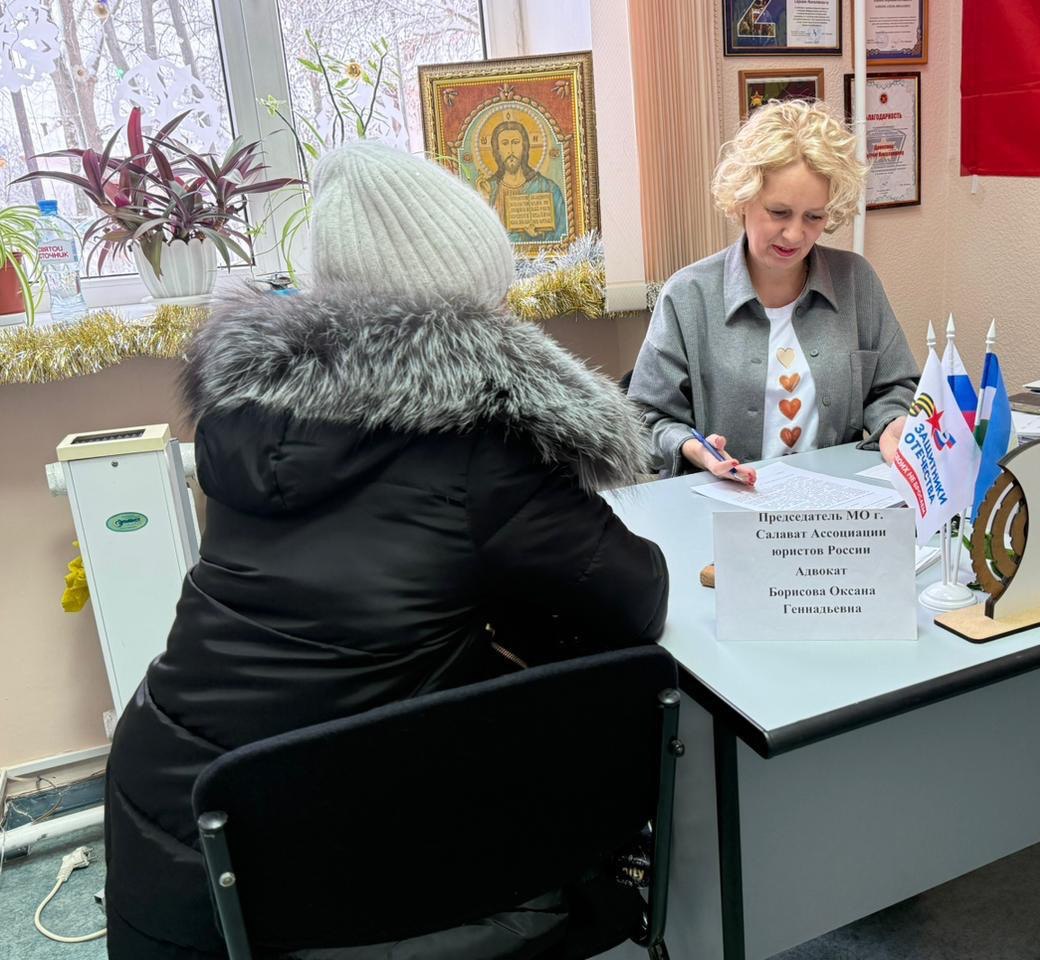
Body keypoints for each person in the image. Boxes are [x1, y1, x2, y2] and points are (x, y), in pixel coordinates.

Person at [103, 140, 669, 959]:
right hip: (318, 875)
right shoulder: (477, 452)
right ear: (466, 314)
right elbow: (637, 594)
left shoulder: (247, 420)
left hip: (172, 826)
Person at [627, 100, 918, 483]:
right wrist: (692, 448)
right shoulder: (687, 297)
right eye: (779, 212)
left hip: (837, 501)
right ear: (743, 199)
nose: (795, 234)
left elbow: (894, 387)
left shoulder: (856, 280)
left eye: (814, 216)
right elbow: (644, 420)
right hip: (724, 501)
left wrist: (894, 421)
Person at [487, 119, 569, 243]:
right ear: (497, 150)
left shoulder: (548, 188)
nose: (511, 150)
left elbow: (563, 236)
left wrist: (539, 237)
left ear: (524, 147)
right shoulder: (488, 189)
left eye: (515, 143)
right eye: (504, 143)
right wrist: (484, 199)